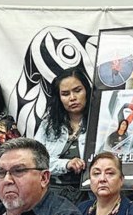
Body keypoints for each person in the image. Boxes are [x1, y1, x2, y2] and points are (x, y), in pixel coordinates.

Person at [34, 67, 92, 203]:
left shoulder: (102, 121)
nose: (72, 98)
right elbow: (35, 161)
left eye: (78, 91)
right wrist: (65, 164)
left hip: (90, 195)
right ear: (58, 98)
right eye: (65, 94)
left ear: (87, 91)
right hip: (51, 194)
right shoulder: (48, 124)